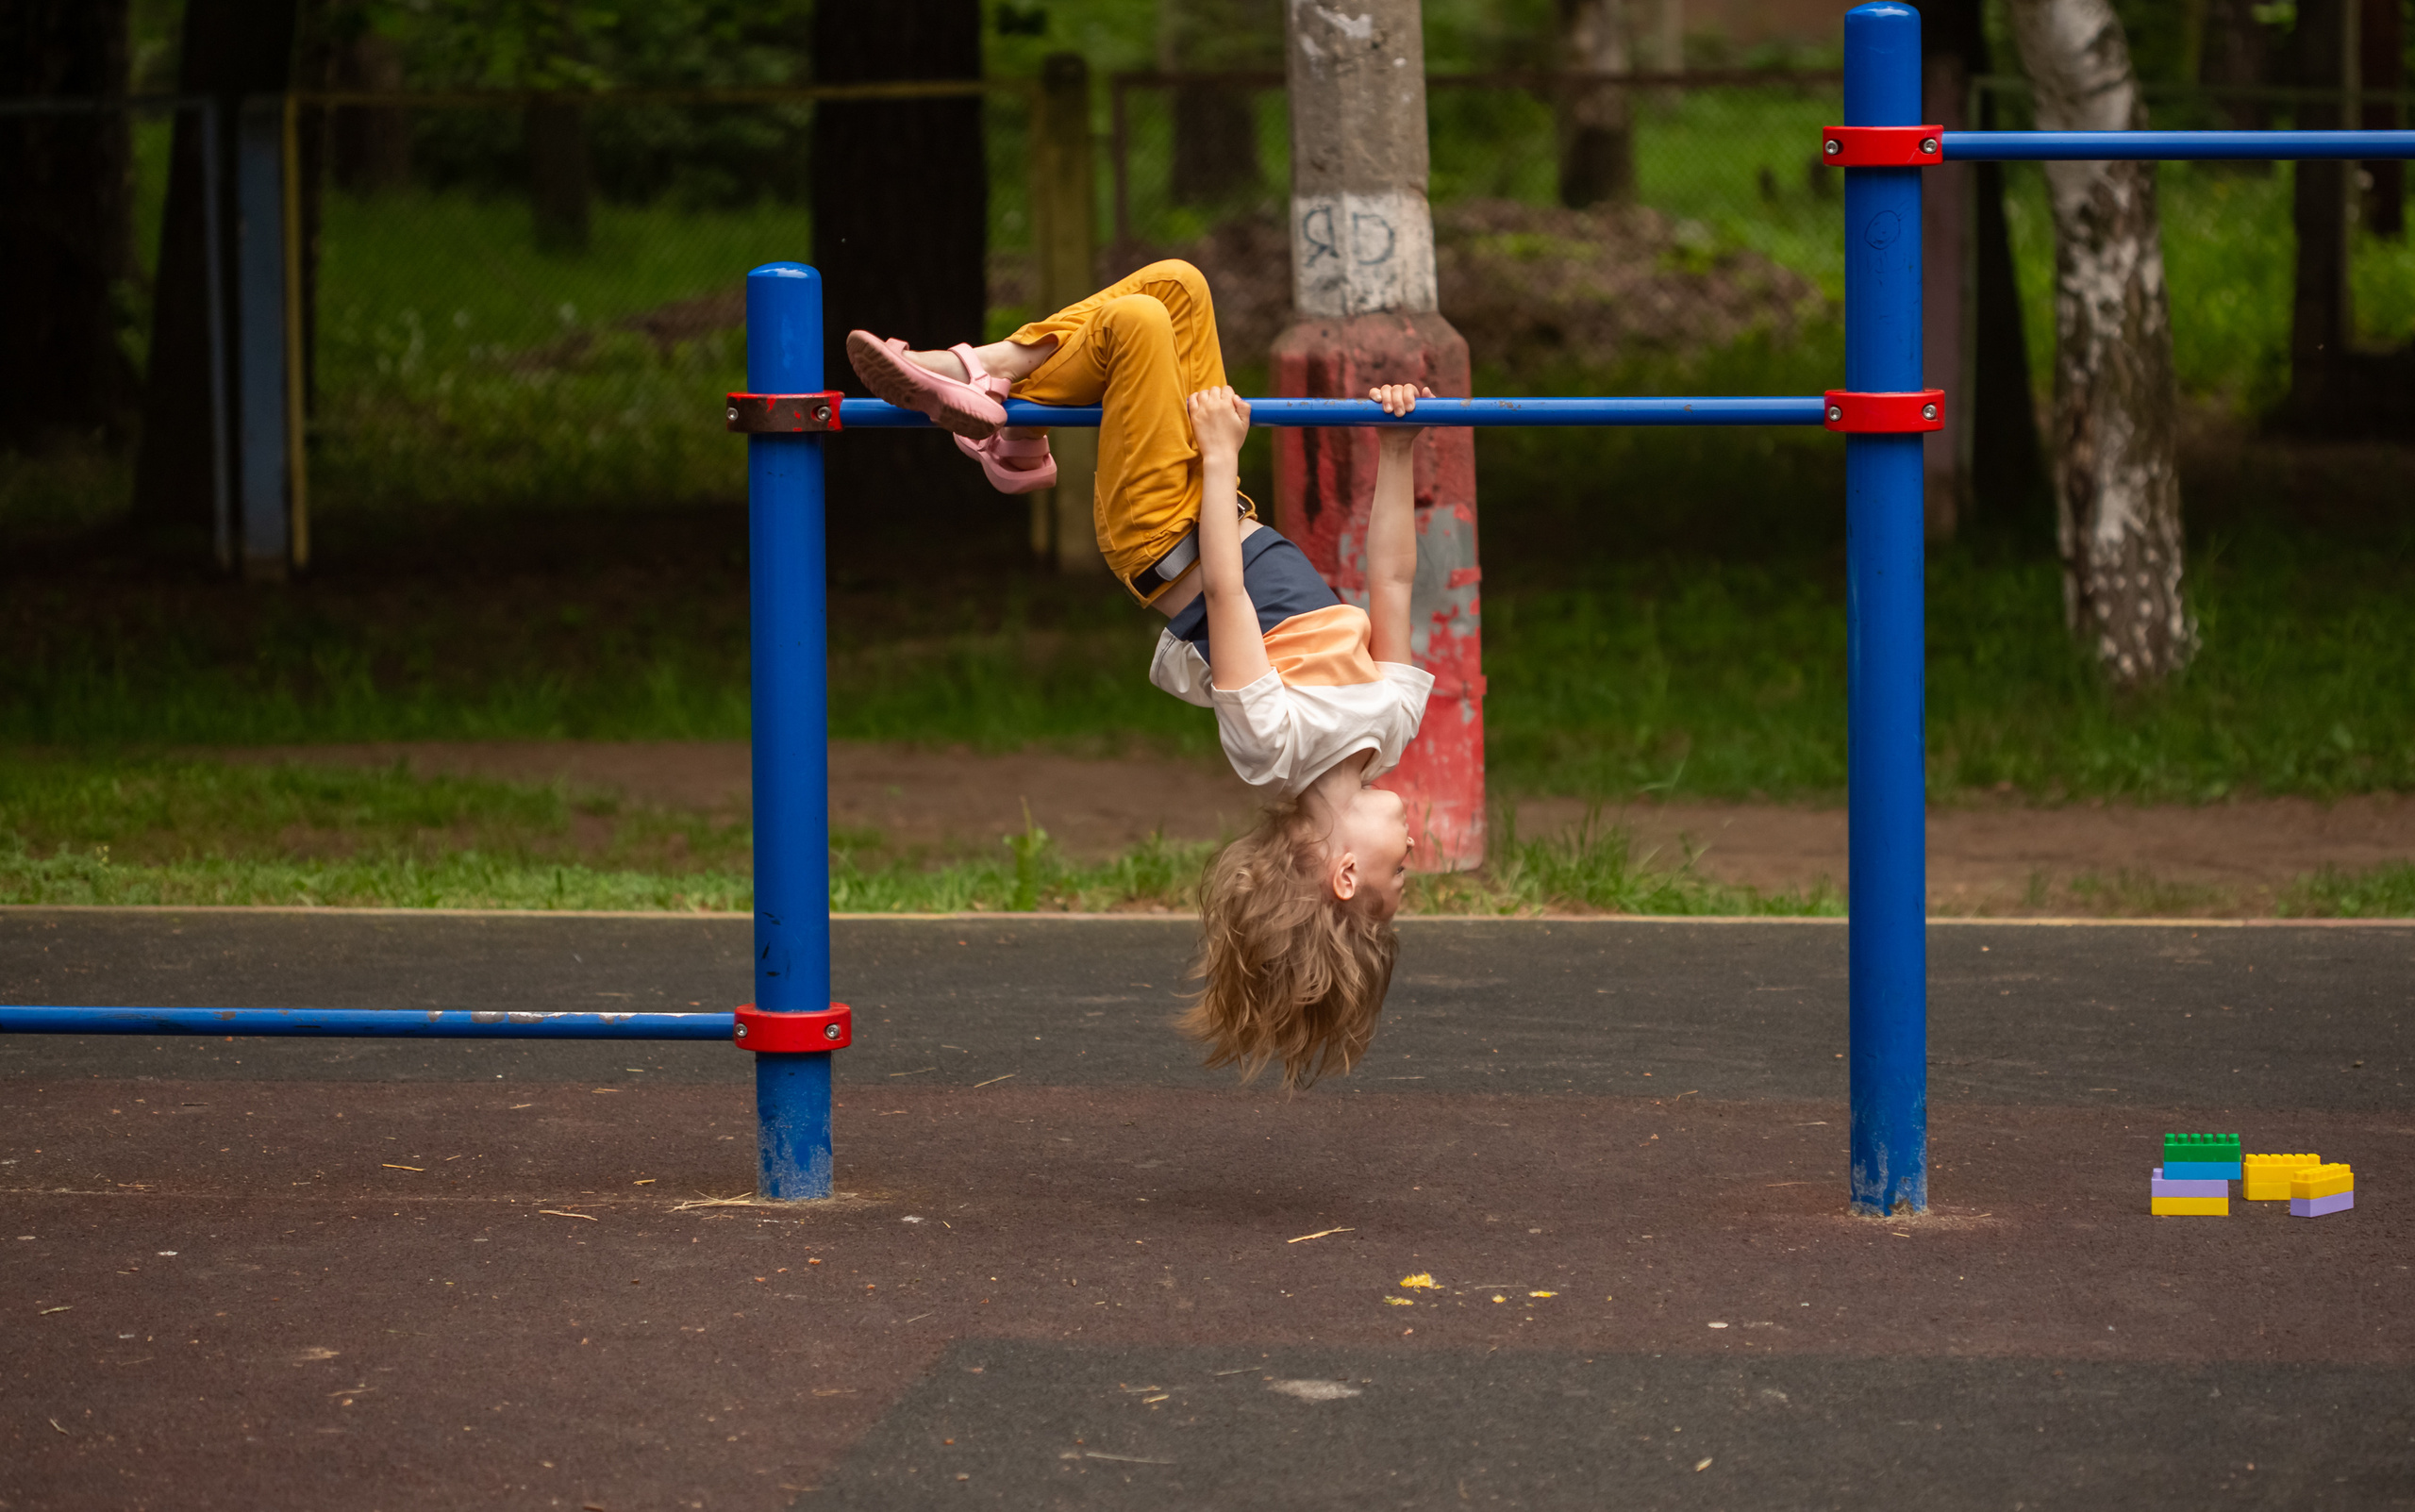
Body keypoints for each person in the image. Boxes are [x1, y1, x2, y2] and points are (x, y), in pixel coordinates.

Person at [846, 259, 1432, 1088]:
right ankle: (1008, 418)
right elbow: (1396, 581)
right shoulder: (1393, 723)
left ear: (1343, 874)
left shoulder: (1274, 747)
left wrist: (1225, 456)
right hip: (1216, 506)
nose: (1413, 852)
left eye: (1397, 871)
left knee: (1138, 328)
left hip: (1161, 531)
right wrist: (1398, 449)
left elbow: (1228, 596)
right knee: (1180, 286)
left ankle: (985, 376)